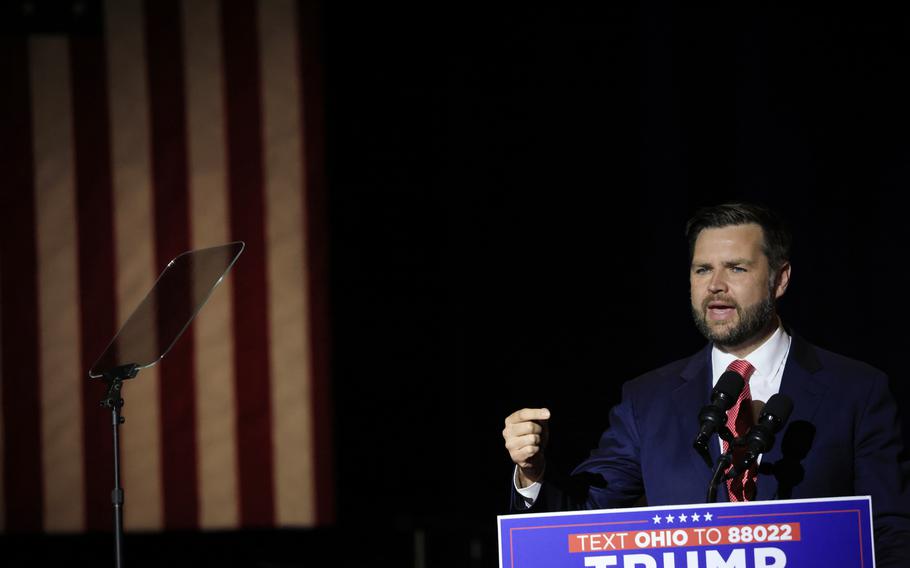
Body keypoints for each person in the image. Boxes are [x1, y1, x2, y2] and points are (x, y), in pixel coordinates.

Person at [502, 202, 910, 565]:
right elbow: (585, 517)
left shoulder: (857, 390)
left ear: (780, 279)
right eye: (702, 269)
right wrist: (534, 474)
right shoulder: (648, 399)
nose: (715, 284)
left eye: (736, 268)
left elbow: (891, 533)